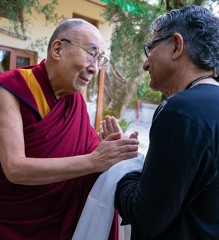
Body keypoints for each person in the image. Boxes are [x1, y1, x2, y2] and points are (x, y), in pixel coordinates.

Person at [0, 18, 139, 240]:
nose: (94, 68)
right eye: (91, 54)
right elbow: (15, 168)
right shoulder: (9, 89)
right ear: (58, 49)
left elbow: (90, 151)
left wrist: (111, 149)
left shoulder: (74, 102)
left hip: (62, 225)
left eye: (99, 59)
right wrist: (94, 161)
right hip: (14, 225)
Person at [113, 5, 219, 240]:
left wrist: (120, 166)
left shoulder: (181, 110)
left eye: (149, 48)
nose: (145, 64)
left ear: (176, 45)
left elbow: (146, 216)